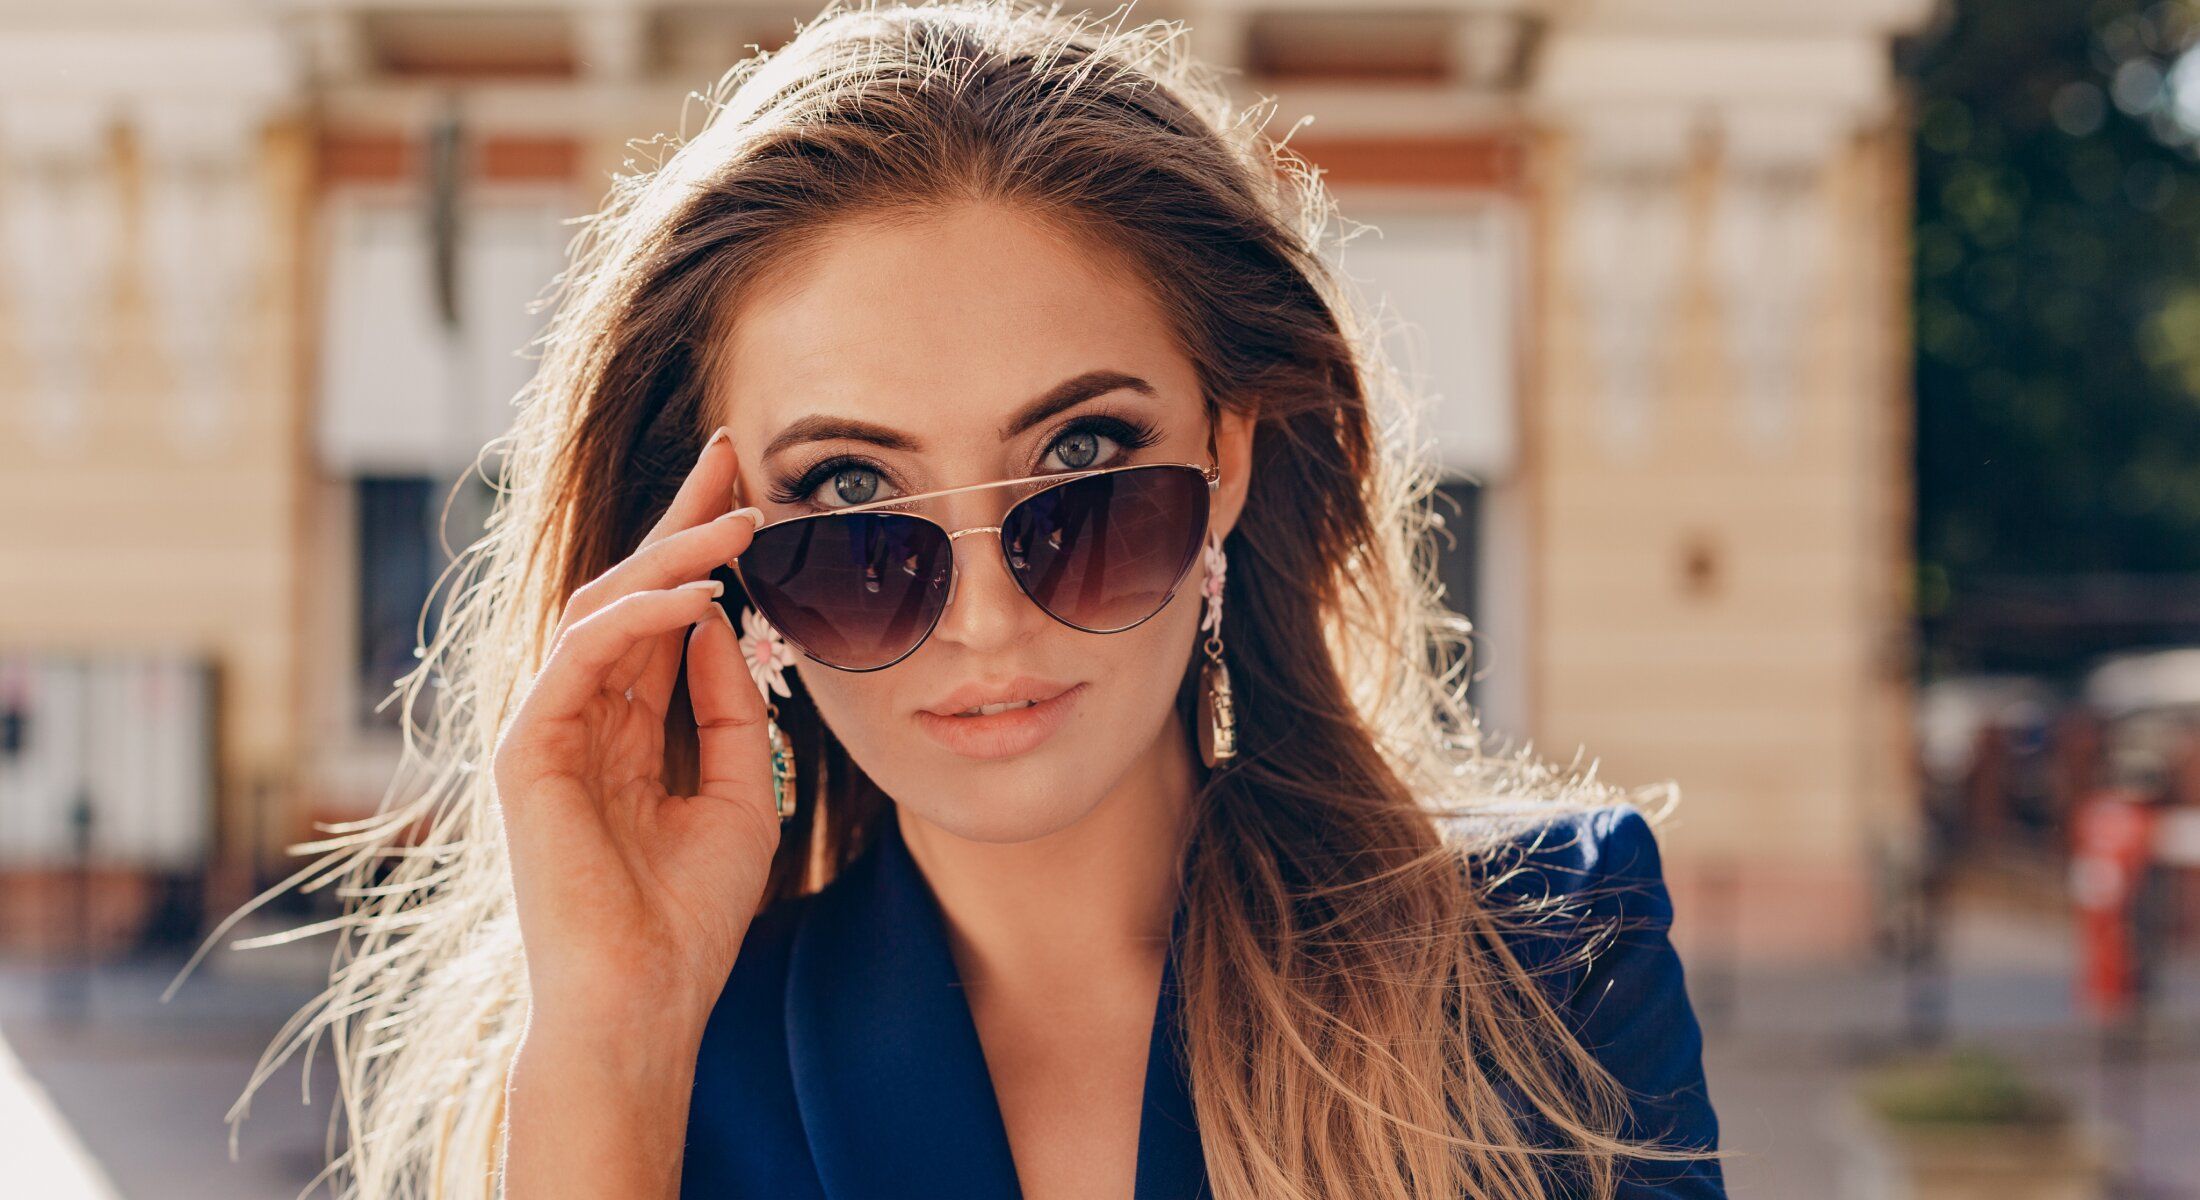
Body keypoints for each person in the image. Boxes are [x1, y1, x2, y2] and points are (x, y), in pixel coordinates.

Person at [225, 2, 1727, 1197]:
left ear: (1228, 460)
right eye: (849, 504)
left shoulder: (1547, 964)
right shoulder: (680, 1066)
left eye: (1084, 462)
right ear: (720, 562)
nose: (989, 621)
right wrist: (613, 1042)